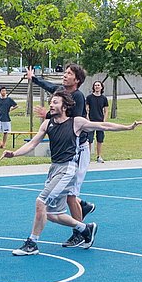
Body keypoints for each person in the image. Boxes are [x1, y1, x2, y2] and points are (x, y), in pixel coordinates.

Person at [4, 92, 138, 252]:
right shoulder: (47, 124)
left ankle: (32, 243)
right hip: (54, 169)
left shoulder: (76, 123)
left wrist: (128, 127)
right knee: (52, 214)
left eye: (55, 102)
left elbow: (103, 125)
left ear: (65, 106)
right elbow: (32, 144)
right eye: (50, 102)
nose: (51, 105)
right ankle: (85, 229)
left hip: (68, 169)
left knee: (41, 202)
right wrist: (14, 153)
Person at [27, 64, 98, 243]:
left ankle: (81, 233)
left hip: (79, 150)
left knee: (70, 195)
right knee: (69, 194)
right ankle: (83, 207)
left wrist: (47, 115)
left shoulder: (78, 97)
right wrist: (33, 78)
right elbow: (49, 86)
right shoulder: (61, 91)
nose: (65, 75)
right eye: (65, 72)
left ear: (77, 80)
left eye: (69, 73)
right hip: (68, 153)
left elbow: (68, 118)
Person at [86, 79, 111, 163]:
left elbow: (106, 110)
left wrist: (104, 120)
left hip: (100, 121)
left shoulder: (104, 98)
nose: (96, 87)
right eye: (95, 85)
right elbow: (86, 109)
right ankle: (87, 157)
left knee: (100, 139)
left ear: (101, 87)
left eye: (98, 85)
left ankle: (99, 156)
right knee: (89, 140)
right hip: (91, 121)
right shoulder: (89, 97)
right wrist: (87, 119)